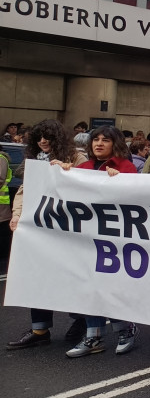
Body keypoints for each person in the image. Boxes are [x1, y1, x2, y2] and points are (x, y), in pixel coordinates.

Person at [53, 126, 141, 358]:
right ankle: (94, 335)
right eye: (96, 140)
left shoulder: (126, 167)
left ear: (116, 144)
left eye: (105, 140)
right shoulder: (83, 168)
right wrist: (63, 172)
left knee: (112, 285)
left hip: (115, 239)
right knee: (89, 285)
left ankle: (125, 328)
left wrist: (120, 181)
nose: (99, 143)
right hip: (86, 239)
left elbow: (136, 199)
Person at [6, 119, 89, 351]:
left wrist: (68, 172)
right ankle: (39, 330)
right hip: (40, 228)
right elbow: (25, 189)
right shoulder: (34, 160)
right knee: (37, 277)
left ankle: (82, 321)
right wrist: (17, 214)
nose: (43, 141)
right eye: (39, 137)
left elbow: (89, 189)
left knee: (73, 279)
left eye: (48, 137)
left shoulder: (77, 158)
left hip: (68, 230)